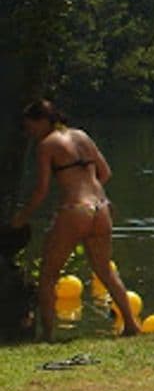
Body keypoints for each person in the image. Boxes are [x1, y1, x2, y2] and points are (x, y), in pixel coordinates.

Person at [10, 100, 141, 341]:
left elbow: (41, 189)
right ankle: (131, 324)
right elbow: (106, 172)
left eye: (30, 127)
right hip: (101, 207)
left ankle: (47, 335)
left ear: (43, 121)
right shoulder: (81, 136)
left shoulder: (46, 145)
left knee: (48, 275)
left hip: (75, 209)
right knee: (105, 271)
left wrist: (21, 217)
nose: (29, 133)